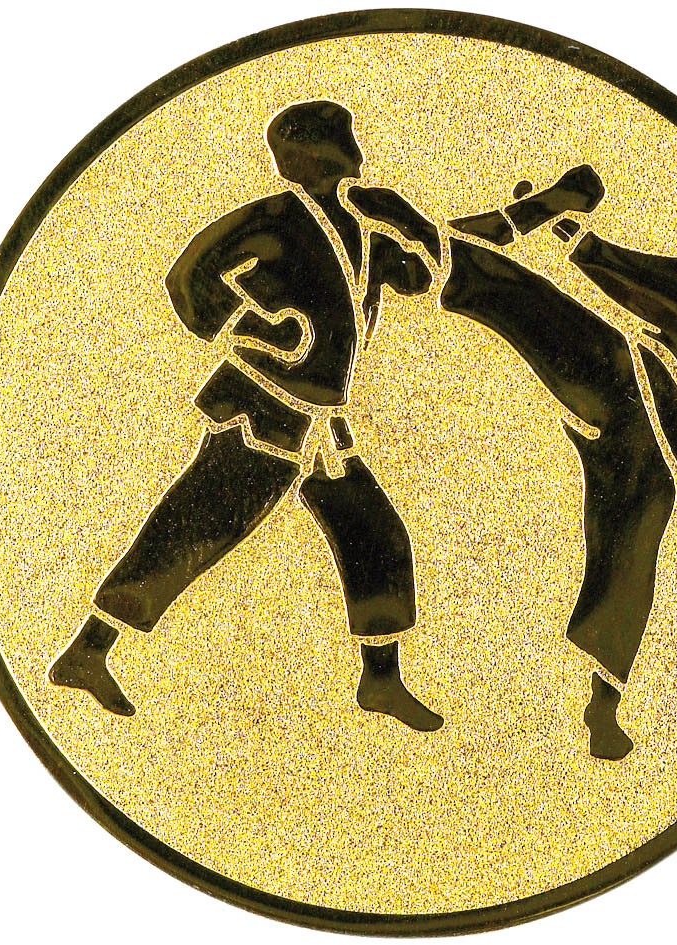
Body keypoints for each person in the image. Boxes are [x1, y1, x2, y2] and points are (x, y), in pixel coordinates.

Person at [50, 101, 444, 732]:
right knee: (197, 527)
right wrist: (252, 326)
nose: (332, 162)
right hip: (262, 406)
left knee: (374, 533)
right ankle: (89, 651)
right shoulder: (275, 218)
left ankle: (381, 678)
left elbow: (425, 276)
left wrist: (407, 218)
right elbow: (188, 278)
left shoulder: (367, 231)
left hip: (323, 418)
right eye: (317, 152)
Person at [441, 169, 677, 758]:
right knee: (628, 566)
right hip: (662, 453)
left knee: (530, 303)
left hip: (630, 384)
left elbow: (623, 273)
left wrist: (569, 230)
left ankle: (450, 260)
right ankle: (604, 705)